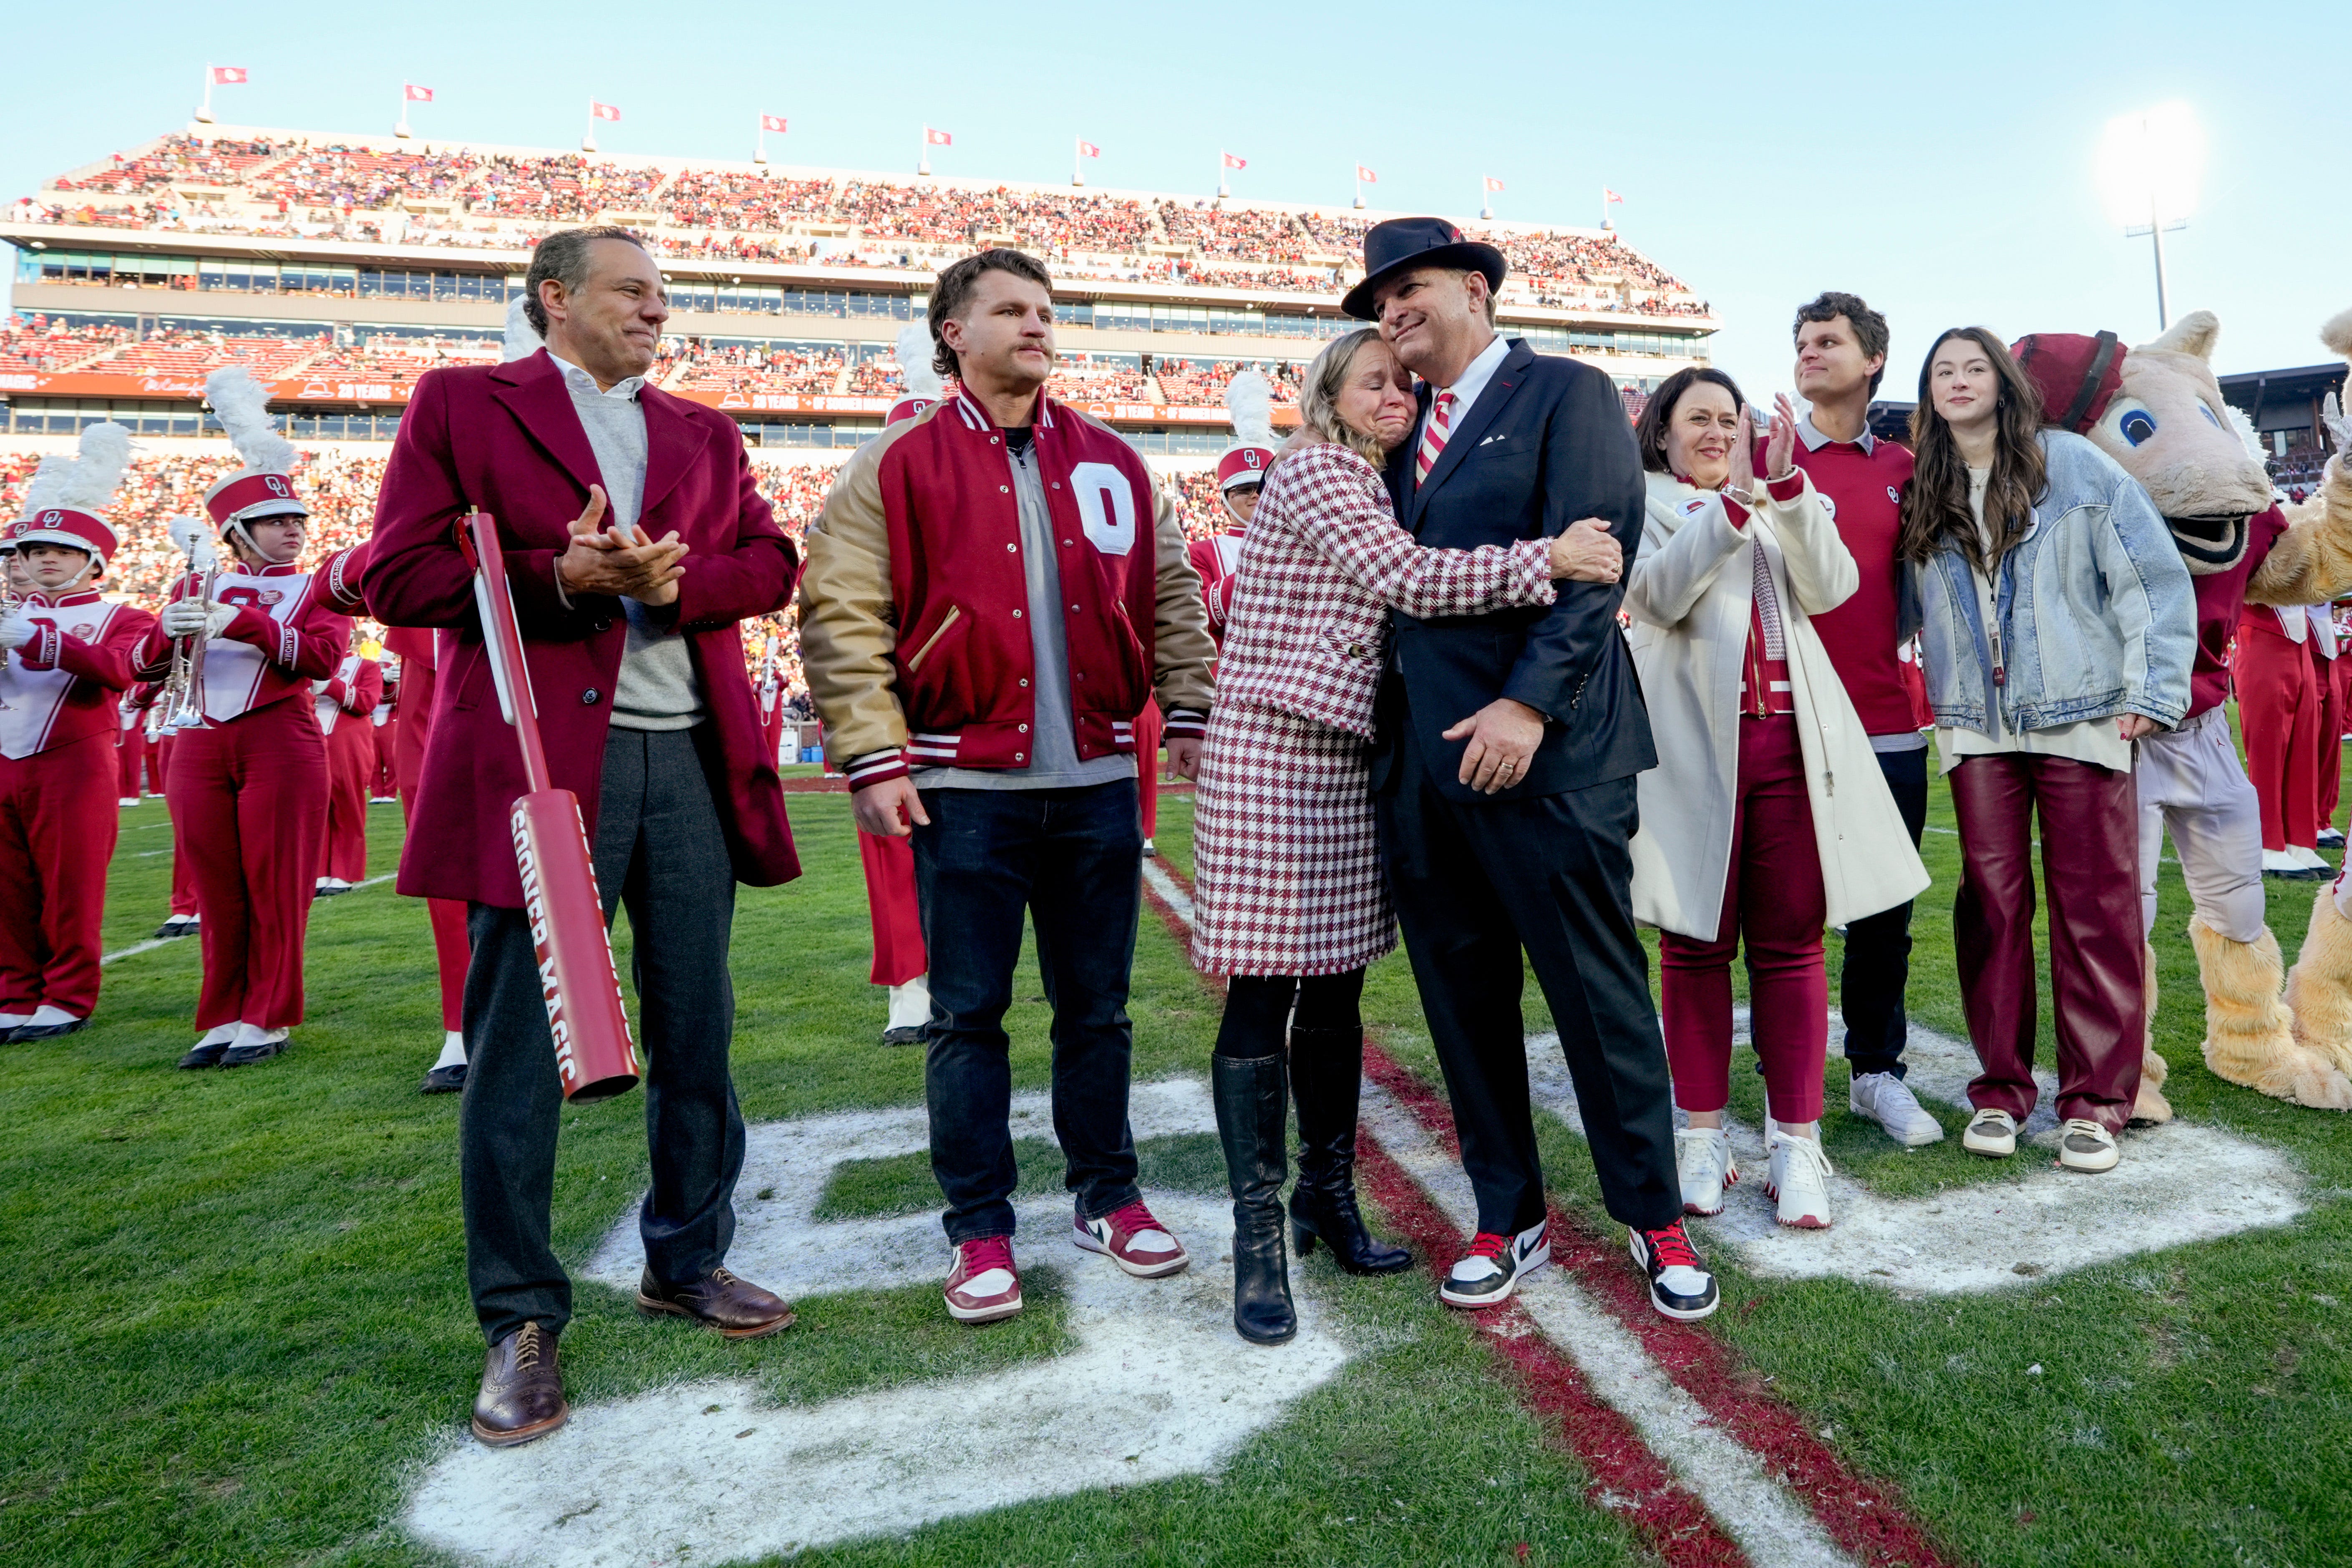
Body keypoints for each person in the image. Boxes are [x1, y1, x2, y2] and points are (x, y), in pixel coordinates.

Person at [366, 225, 804, 1449]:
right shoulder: (461, 403)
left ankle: (686, 1257)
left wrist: (675, 584)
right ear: (554, 297)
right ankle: (517, 1318)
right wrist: (555, 575)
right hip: (541, 768)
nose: (656, 311)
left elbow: (771, 560)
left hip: (688, 765)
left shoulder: (706, 431)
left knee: (697, 1027)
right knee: (518, 1050)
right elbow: (395, 573)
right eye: (632, 291)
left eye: (664, 296)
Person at [799, 248, 1219, 1326]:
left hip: (1093, 781)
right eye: (1009, 310)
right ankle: (979, 1224)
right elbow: (842, 611)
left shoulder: (1118, 462)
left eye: (1044, 310)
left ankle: (1107, 1193)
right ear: (952, 330)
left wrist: (1193, 708)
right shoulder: (891, 461)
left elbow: (1169, 593)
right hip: (961, 784)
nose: (1036, 325)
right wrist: (874, 751)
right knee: (965, 1016)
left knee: (1098, 1008)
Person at [1193, 326, 1619, 1342]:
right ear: (1327, 397)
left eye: (1402, 383)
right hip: (1273, 751)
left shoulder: (1379, 479)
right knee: (1263, 995)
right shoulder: (1321, 472)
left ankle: (1325, 1201)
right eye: (1371, 382)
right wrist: (1546, 560)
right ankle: (1258, 1240)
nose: (1396, 396)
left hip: (1349, 759)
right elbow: (1409, 581)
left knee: (1335, 990)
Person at [1348, 216, 1716, 1321]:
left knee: (1595, 993)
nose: (1391, 310)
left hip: (1550, 756)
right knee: (1463, 1005)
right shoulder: (1389, 429)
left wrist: (1523, 704)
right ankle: (1506, 1212)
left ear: (1475, 286)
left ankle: (1651, 1214)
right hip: (1423, 767)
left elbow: (1592, 565)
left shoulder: (1566, 389)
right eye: (1378, 300)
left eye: (1407, 286)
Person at [1624, 369, 1928, 1229]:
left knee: (1791, 949)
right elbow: (1653, 596)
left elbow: (1831, 587)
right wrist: (1728, 510)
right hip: (1688, 749)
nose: (1718, 432)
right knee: (1692, 944)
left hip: (1793, 749)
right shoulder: (1641, 499)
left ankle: (1796, 1142)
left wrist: (1787, 492)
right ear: (1662, 432)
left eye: (1731, 418)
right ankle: (1700, 1135)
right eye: (1699, 419)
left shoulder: (1782, 495)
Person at [1901, 328, 2194, 1173]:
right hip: (1973, 720)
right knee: (1989, 908)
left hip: (2081, 711)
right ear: (1928, 391)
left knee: (2093, 906)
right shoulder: (1924, 479)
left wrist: (2148, 688)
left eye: (1971, 367)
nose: (1956, 381)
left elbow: (2149, 574)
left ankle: (2094, 1100)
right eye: (1941, 371)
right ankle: (1998, 1090)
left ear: (2003, 381)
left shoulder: (2072, 463)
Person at [133, 372, 349, 1070]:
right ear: (236, 531)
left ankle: (268, 1014)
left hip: (280, 737)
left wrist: (249, 622)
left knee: (276, 880)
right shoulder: (193, 581)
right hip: (197, 740)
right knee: (216, 882)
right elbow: (142, 667)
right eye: (276, 522)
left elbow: (319, 657)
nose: (292, 531)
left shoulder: (317, 585)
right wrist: (169, 629)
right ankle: (222, 1010)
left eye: (297, 522)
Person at [1786, 294, 1944, 1146]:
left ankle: (1875, 1073)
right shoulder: (1761, 452)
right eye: (1802, 342)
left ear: (1871, 359)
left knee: (1883, 912)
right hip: (1782, 720)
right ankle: (1785, 1081)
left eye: (1829, 340)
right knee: (1782, 910)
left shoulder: (1906, 466)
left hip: (1883, 720)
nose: (1810, 352)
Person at [0, 424, 154, 1042]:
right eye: (34, 548)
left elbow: (119, 669)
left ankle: (67, 994)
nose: (43, 558)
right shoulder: (12, 610)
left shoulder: (123, 615)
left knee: (70, 886)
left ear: (95, 560)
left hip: (74, 759)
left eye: (61, 549)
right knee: (7, 887)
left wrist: (38, 637)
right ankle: (14, 990)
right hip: (6, 757)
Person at [382, 624, 471, 1093]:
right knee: (447, 884)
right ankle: (460, 1028)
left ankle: (561, 1022)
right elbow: (338, 584)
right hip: (431, 708)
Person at [312, 643, 382, 896]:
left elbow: (367, 702)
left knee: (347, 804)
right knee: (315, 809)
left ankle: (344, 872)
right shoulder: (306, 663)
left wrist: (331, 685)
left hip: (348, 738)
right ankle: (319, 871)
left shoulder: (366, 666)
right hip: (309, 736)